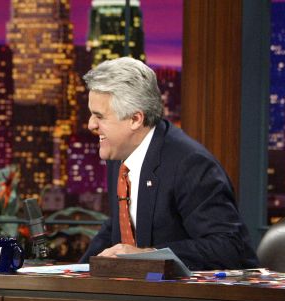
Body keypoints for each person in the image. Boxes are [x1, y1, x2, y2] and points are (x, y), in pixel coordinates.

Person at [81, 57, 258, 270]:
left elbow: (228, 247)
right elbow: (116, 230)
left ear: (136, 119)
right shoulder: (120, 156)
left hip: (200, 298)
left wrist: (148, 256)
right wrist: (69, 277)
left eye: (99, 116)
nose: (91, 125)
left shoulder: (190, 164)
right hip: (142, 293)